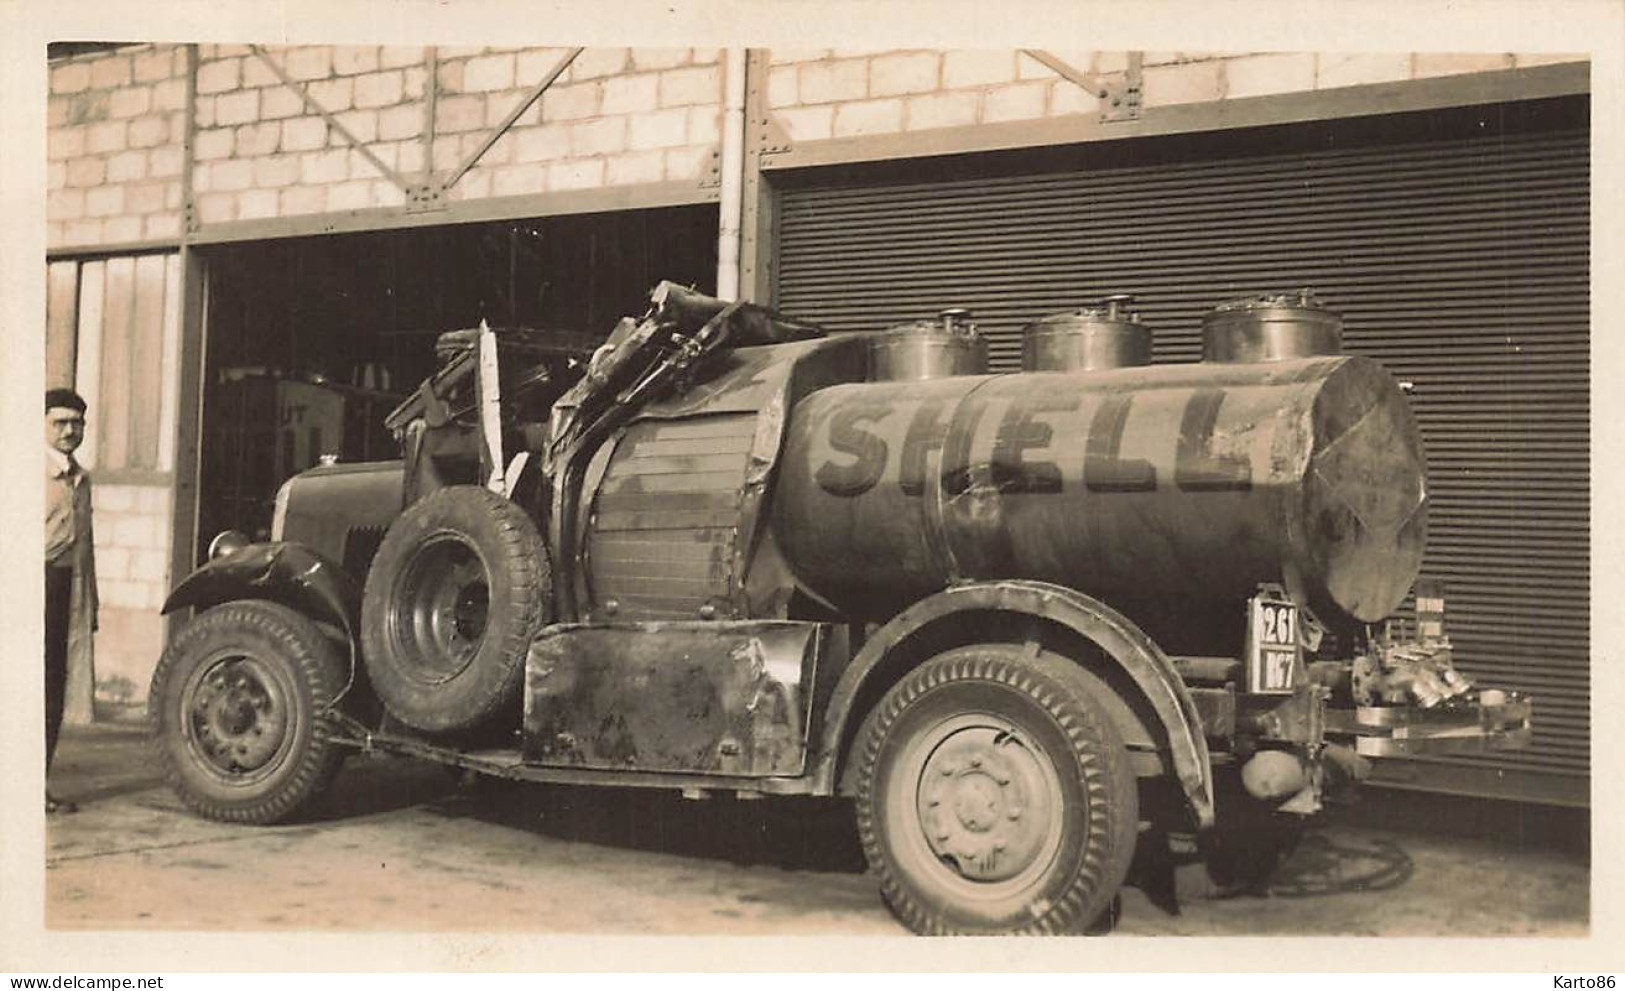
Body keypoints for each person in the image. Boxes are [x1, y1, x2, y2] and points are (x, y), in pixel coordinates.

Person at [45, 387, 97, 815]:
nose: (68, 430)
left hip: (67, 590)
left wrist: (90, 604)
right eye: (59, 422)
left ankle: (36, 784)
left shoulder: (81, 478)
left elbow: (86, 548)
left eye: (76, 423)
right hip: (29, 589)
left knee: (52, 690)